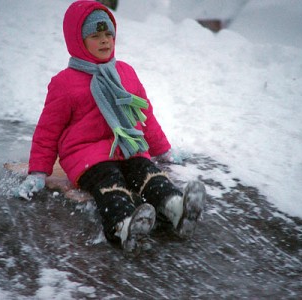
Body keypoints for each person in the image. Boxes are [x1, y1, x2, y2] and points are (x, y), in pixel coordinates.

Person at [14, 0, 207, 254]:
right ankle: (123, 225)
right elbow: (48, 131)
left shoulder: (125, 73)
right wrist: (38, 172)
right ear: (77, 41)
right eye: (95, 35)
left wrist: (163, 150)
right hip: (87, 156)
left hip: (128, 146)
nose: (105, 41)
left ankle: (175, 208)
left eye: (108, 34)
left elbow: (144, 114)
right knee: (110, 183)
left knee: (147, 172)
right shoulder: (65, 83)